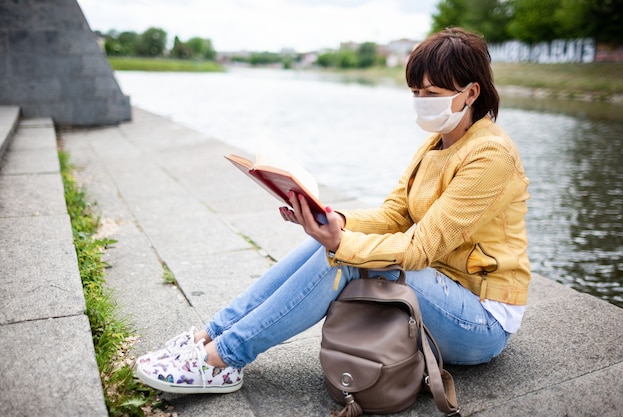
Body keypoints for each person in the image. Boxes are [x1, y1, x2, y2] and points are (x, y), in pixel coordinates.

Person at [135, 27, 531, 394]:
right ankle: (209, 336)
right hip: (439, 289)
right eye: (415, 93)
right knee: (325, 244)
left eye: (433, 94)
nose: (421, 103)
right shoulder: (436, 145)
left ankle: (222, 359)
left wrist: (341, 242)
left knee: (344, 257)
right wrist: (333, 220)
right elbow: (395, 215)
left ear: (472, 92)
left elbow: (421, 248)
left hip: (480, 317)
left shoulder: (490, 155)